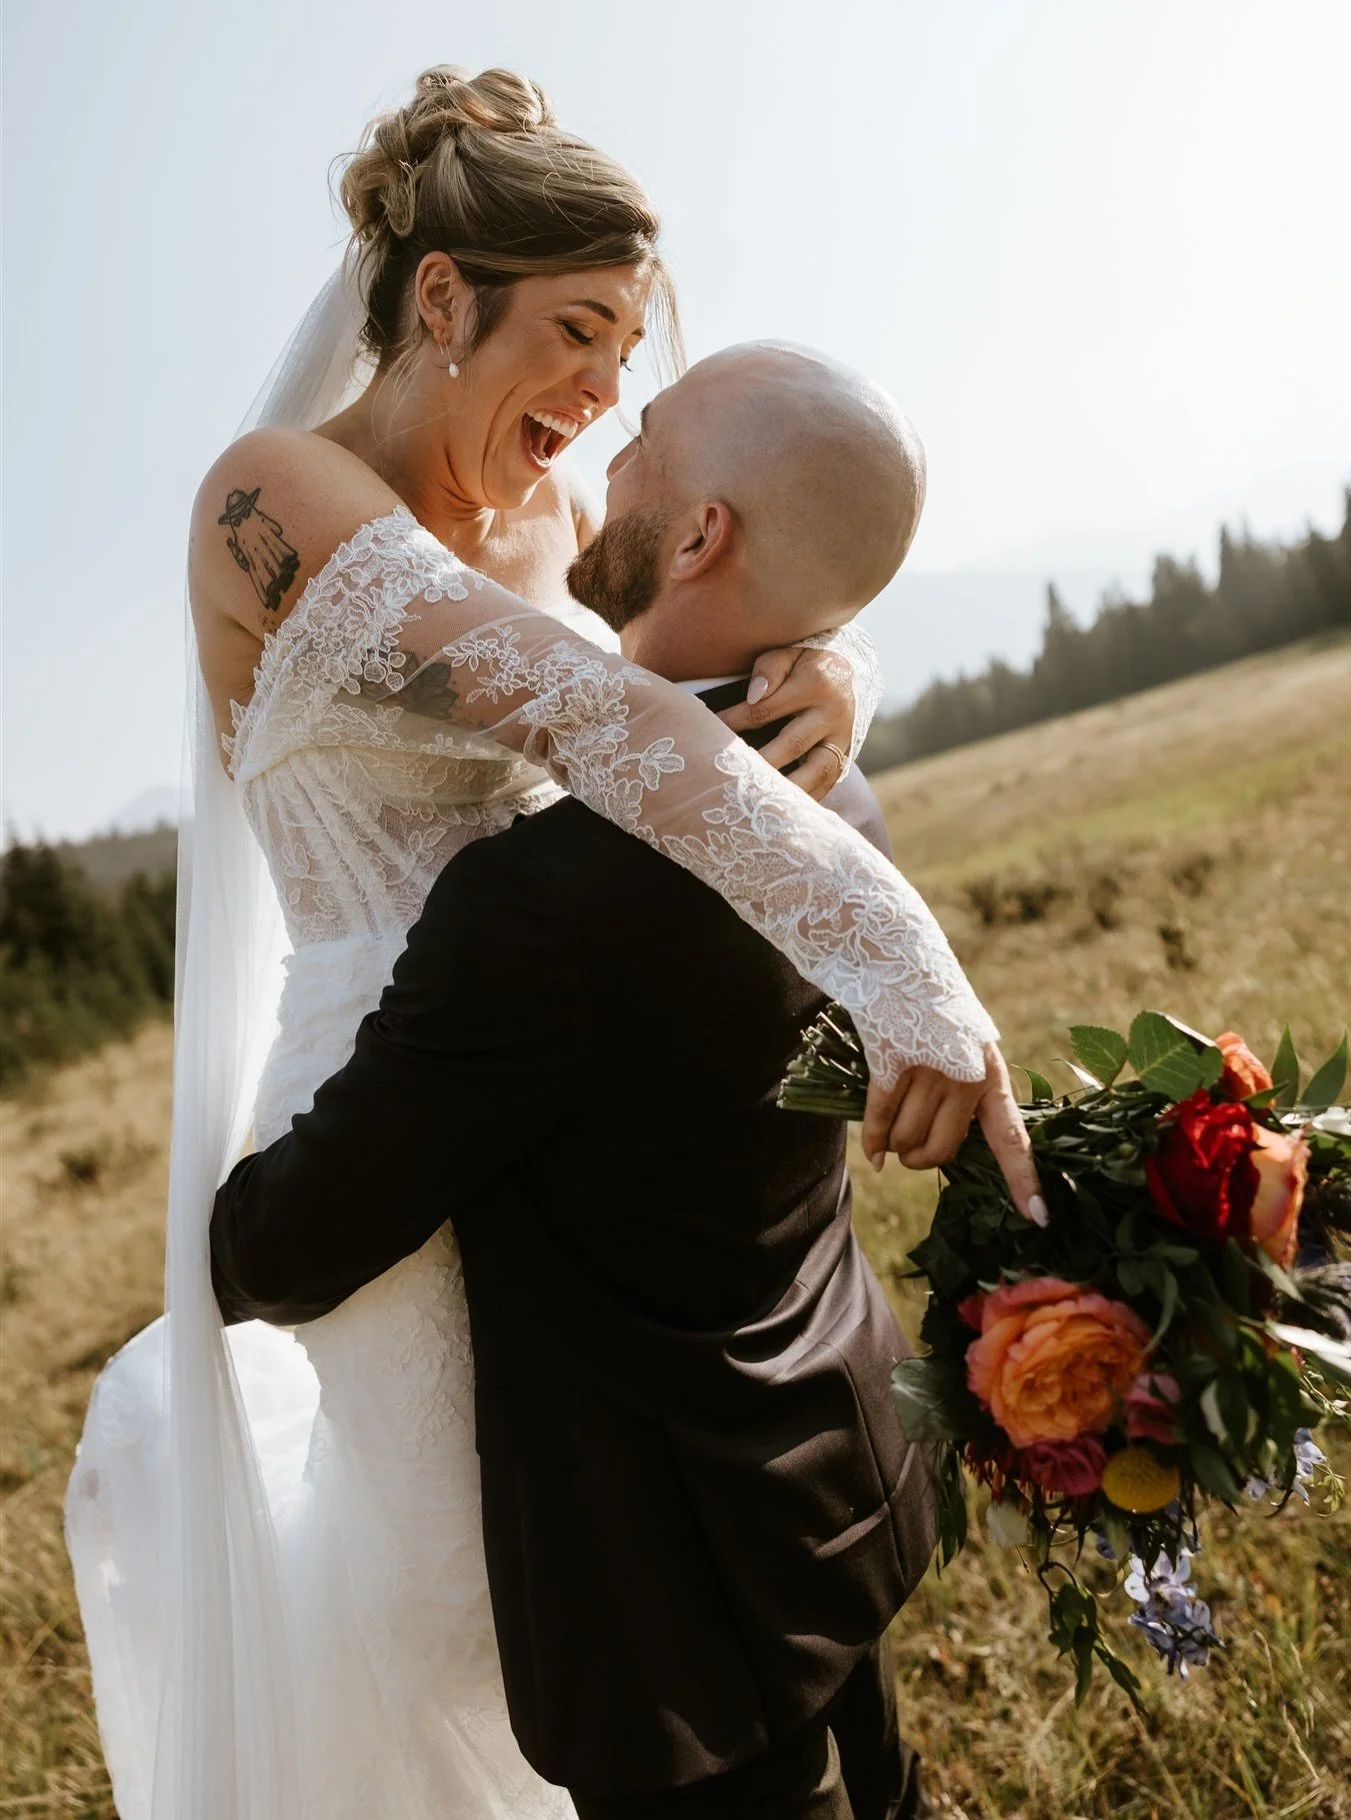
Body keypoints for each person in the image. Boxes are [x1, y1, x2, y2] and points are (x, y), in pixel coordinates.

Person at [66, 67, 1035, 1820]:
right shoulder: (269, 500)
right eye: (581, 333)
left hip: (560, 1032)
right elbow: (616, 729)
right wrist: (917, 972)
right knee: (470, 1607)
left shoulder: (560, 518)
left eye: (629, 353)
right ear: (442, 300)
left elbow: (696, 608)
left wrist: (833, 666)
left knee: (598, 1564)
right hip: (393, 1062)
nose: (604, 400)